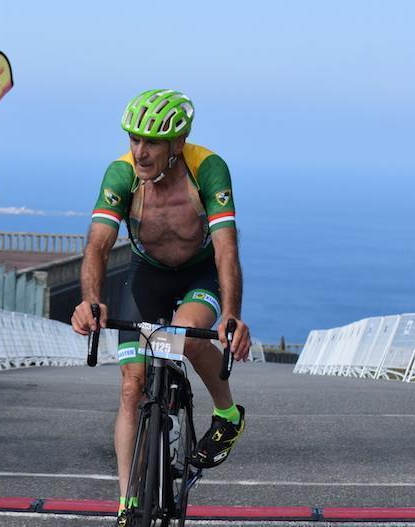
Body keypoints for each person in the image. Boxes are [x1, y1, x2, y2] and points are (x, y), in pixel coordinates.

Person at [70, 89, 251, 522]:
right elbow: (98, 243)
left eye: (150, 142)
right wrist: (90, 300)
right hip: (147, 276)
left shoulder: (207, 168)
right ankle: (127, 502)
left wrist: (230, 314)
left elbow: (226, 249)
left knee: (182, 339)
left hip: (198, 273)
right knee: (131, 388)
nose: (140, 151)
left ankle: (227, 414)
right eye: (134, 139)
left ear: (177, 143)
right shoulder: (122, 174)